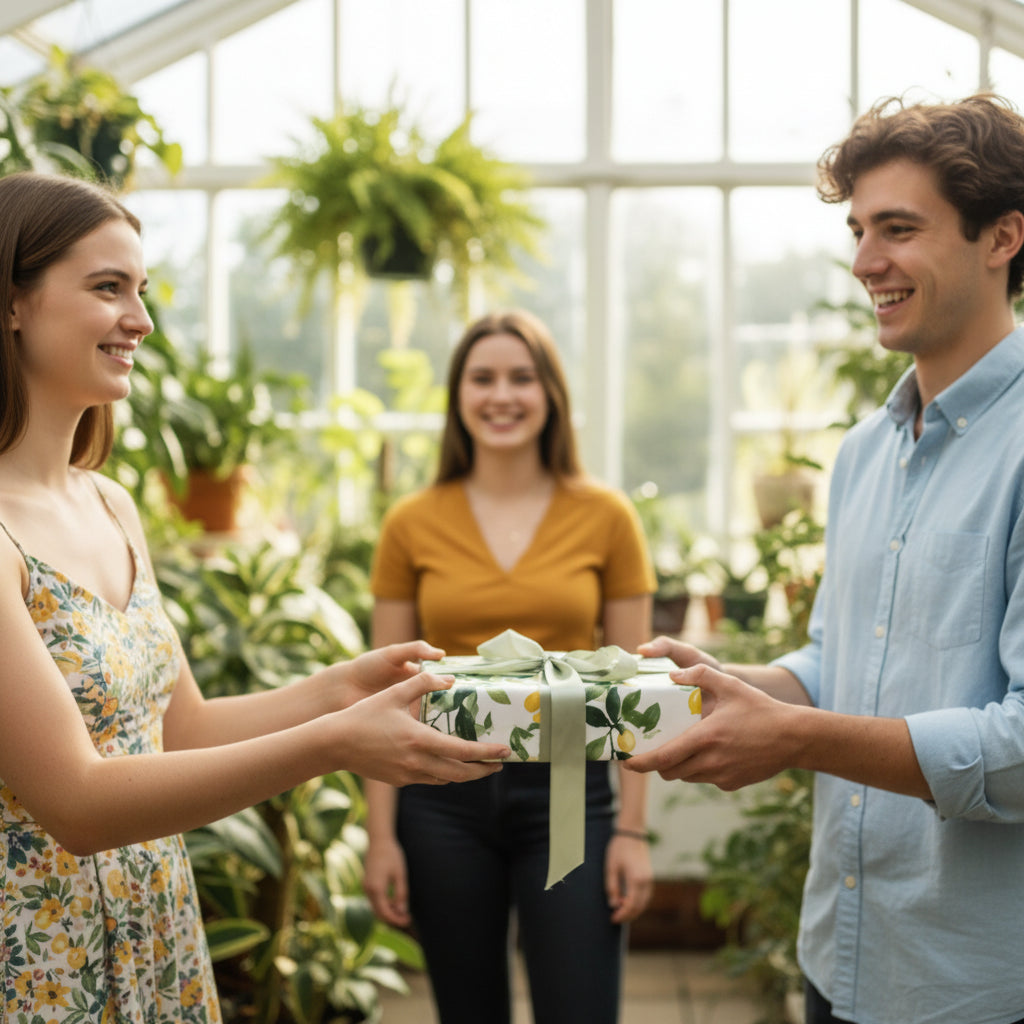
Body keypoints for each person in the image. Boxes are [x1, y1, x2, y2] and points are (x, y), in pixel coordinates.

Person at [0, 170, 512, 1024]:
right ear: (12, 302)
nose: (140, 319)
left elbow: (180, 728)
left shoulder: (110, 505)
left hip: (158, 936)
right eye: (107, 288)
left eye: (143, 291)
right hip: (42, 961)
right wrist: (337, 742)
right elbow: (79, 804)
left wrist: (343, 687)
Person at [625, 92, 1024, 1024]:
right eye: (857, 231)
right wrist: (735, 682)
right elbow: (837, 663)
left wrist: (794, 739)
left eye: (898, 229)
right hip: (840, 954)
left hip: (976, 985)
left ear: (1003, 236)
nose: (864, 263)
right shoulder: (861, 454)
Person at [364, 309, 656, 1024]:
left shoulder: (608, 517)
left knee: (580, 1008)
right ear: (458, 396)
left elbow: (636, 690)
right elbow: (385, 696)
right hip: (438, 800)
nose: (503, 396)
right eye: (483, 378)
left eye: (522, 378)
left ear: (550, 393)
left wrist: (632, 832)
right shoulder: (410, 522)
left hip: (570, 794)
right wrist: (379, 839)